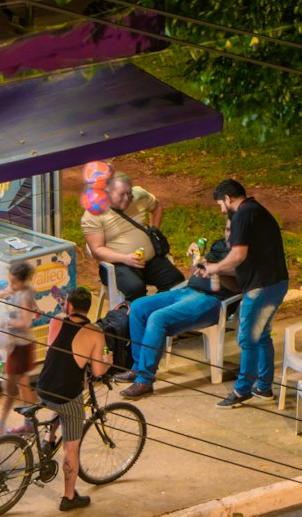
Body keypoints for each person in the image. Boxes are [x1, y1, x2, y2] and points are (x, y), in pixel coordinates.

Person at [117, 229, 240, 399]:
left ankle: (144, 380)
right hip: (188, 290)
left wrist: (216, 271)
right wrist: (196, 258)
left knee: (158, 318)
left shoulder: (244, 254)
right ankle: (138, 366)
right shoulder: (220, 245)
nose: (228, 232)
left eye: (232, 228)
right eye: (227, 228)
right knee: (138, 307)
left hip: (211, 300)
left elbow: (240, 285)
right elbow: (197, 271)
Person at [202, 179, 289, 407]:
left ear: (228, 199)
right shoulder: (256, 210)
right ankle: (263, 387)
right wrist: (217, 268)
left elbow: (238, 255)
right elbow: (244, 259)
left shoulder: (242, 214)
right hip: (276, 282)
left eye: (221, 204)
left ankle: (242, 391)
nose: (222, 210)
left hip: (262, 287)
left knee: (248, 338)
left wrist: (213, 268)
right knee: (261, 335)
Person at [34, 285, 111, 512]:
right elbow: (97, 372)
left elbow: (54, 349)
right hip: (67, 394)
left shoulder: (56, 321)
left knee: (58, 404)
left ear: (69, 305)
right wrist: (108, 359)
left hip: (43, 386)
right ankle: (69, 497)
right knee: (71, 446)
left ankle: (49, 439)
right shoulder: (95, 332)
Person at [81, 171, 184, 302]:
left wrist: (154, 230)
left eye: (129, 193)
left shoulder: (139, 195)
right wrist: (125, 259)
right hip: (119, 265)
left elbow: (157, 207)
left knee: (176, 281)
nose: (127, 198)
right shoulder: (94, 213)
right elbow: (97, 250)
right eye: (121, 195)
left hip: (150, 261)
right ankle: (138, 316)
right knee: (135, 288)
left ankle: (157, 312)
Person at [0, 259, 38, 437]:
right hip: (17, 344)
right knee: (18, 384)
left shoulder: (24, 295)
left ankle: (2, 423)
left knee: (13, 386)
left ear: (23, 281)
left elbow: (25, 321)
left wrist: (7, 320)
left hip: (21, 345)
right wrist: (5, 293)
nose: (11, 285)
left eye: (14, 282)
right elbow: (3, 293)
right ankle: (28, 422)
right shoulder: (19, 290)